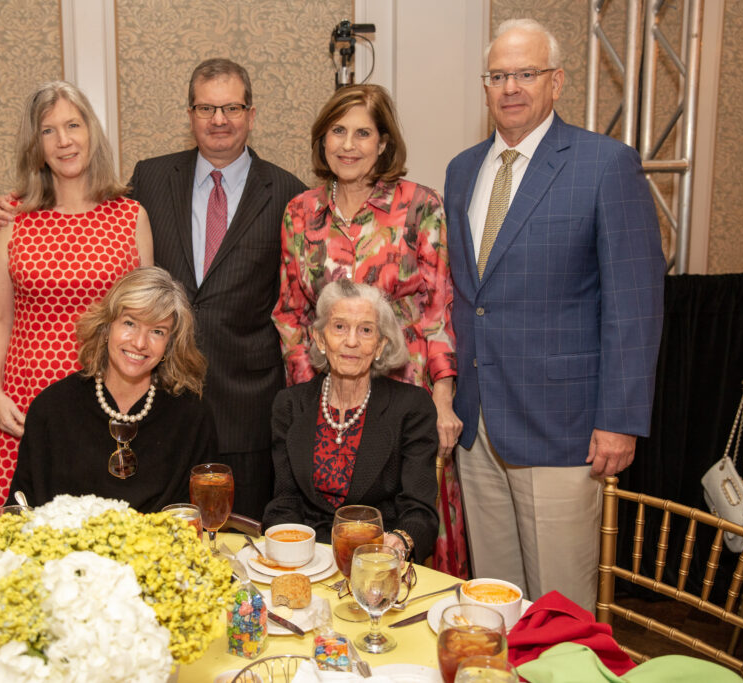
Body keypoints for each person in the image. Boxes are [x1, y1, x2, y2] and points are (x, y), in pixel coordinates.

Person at [0, 59, 306, 521]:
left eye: (232, 107)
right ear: (190, 114)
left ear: (251, 115)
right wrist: (11, 207)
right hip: (149, 404)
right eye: (205, 107)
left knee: (236, 539)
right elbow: (87, 212)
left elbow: (294, 307)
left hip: (243, 410)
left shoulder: (288, 194)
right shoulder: (150, 180)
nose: (219, 119)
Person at [443, 18, 665, 610]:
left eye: (526, 73)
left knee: (561, 606)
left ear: (557, 81)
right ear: (484, 86)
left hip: (564, 424)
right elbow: (473, 298)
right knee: (494, 600)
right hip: (480, 421)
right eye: (497, 76)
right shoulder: (463, 170)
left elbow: (635, 304)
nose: (510, 87)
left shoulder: (605, 164)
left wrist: (620, 419)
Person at [270, 84, 466, 575]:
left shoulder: (420, 205)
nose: (348, 145)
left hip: (407, 390)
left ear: (383, 142)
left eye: (363, 133)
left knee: (409, 519)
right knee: (320, 510)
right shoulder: (300, 212)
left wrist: (442, 401)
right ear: (322, 139)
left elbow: (439, 307)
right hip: (329, 393)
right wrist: (307, 399)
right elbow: (292, 313)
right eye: (338, 131)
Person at [0, 81, 153, 530]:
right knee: (24, 540)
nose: (64, 140)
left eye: (73, 125)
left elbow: (148, 316)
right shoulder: (14, 220)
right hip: (25, 397)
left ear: (91, 132)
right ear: (37, 145)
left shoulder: (130, 216)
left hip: (108, 396)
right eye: (49, 131)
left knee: (106, 532)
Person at [10, 267, 216, 511]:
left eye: (157, 331)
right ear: (107, 327)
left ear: (170, 344)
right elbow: (20, 510)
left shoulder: (191, 414)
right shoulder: (51, 408)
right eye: (130, 323)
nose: (140, 343)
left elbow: (201, 515)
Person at [264, 279, 439, 563]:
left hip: (376, 559)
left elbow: (419, 511)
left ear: (381, 344)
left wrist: (398, 543)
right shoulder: (290, 405)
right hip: (307, 559)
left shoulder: (411, 408)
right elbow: (284, 501)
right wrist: (293, 554)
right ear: (321, 339)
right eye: (340, 327)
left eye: (366, 330)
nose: (352, 341)